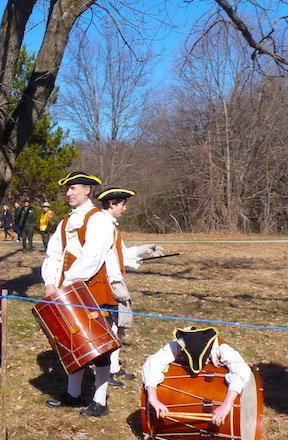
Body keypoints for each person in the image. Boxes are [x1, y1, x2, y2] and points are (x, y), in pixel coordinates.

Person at [41, 171, 117, 417]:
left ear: (87, 190)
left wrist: (70, 282)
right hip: (67, 290)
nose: (68, 193)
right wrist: (51, 282)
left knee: (99, 347)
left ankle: (100, 401)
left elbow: (92, 257)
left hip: (93, 291)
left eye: (73, 188)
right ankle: (73, 395)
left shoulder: (99, 220)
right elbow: (54, 253)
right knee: (72, 342)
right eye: (68, 189)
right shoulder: (64, 222)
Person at [96, 187, 166, 386]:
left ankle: (114, 367)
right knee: (111, 327)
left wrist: (145, 249)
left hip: (116, 281)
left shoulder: (111, 226)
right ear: (112, 204)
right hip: (108, 283)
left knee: (119, 327)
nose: (125, 209)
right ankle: (106, 371)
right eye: (122, 204)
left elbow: (122, 255)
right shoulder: (101, 225)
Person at [142, 327, 252, 426]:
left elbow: (242, 370)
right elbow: (153, 362)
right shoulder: (180, 343)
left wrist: (227, 404)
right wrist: (153, 397)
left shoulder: (221, 348)